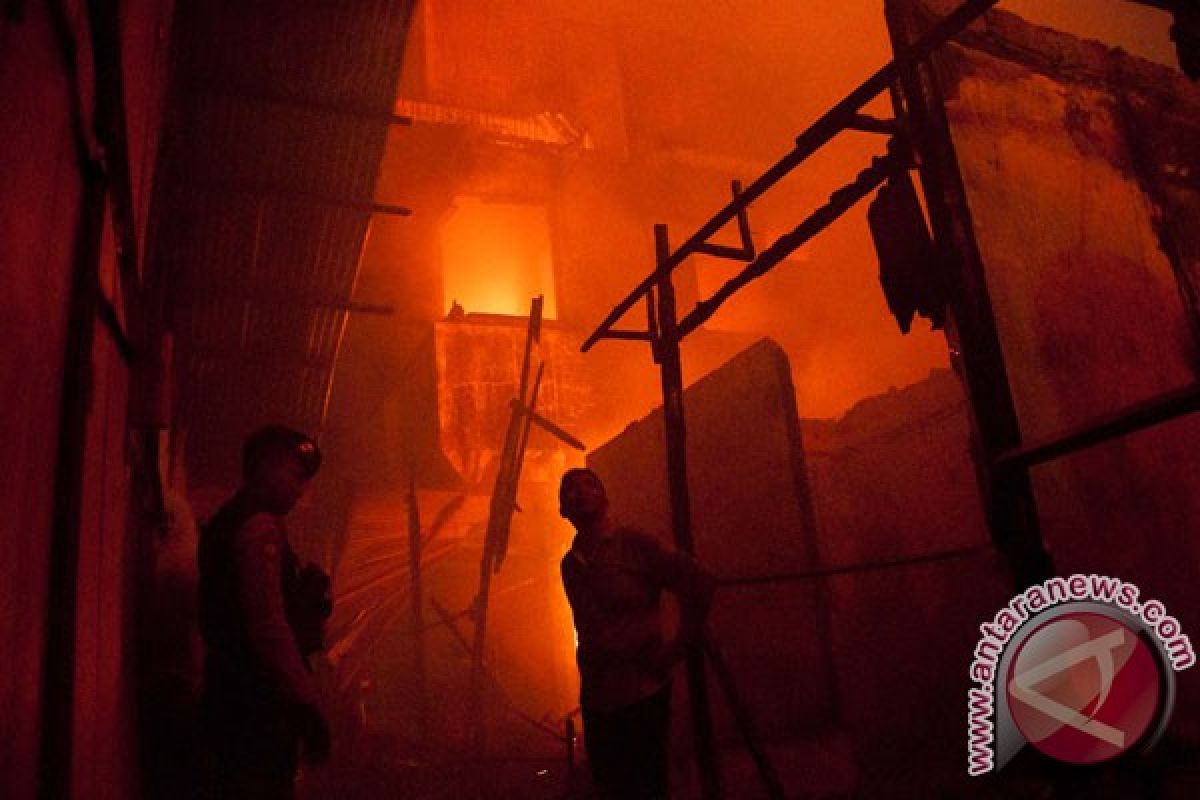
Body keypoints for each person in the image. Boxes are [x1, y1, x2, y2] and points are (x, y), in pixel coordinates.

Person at [558, 468, 715, 800]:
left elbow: (699, 581)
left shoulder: (636, 546)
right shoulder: (570, 565)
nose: (581, 492)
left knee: (647, 788)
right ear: (562, 509)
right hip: (598, 700)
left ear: (605, 499)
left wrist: (677, 650)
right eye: (570, 489)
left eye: (590, 485)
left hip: (641, 694)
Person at [198, 425, 333, 799]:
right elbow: (268, 626)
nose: (301, 489)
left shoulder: (231, 519)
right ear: (265, 468)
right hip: (254, 702)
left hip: (232, 694)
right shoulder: (259, 528)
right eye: (296, 476)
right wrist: (306, 702)